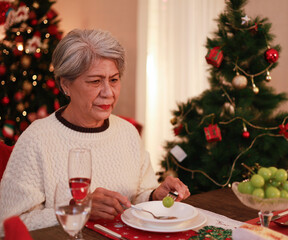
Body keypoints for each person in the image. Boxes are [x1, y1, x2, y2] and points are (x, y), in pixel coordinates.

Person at [0, 29, 190, 234]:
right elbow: (7, 224)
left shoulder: (127, 132)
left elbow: (137, 198)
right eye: (95, 81)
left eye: (114, 80)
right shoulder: (38, 139)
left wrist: (154, 196)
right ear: (66, 85)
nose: (108, 92)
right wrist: (79, 209)